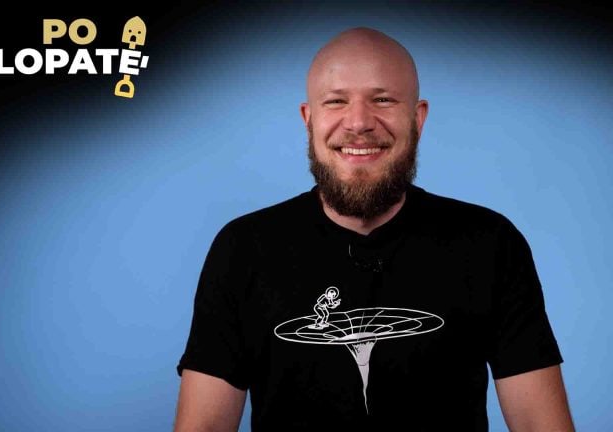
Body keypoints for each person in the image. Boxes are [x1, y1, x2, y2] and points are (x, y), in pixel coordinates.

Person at [174, 27, 574, 431]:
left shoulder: (490, 243)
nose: (359, 122)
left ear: (418, 118)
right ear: (308, 120)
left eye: (382, 100)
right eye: (336, 101)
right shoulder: (243, 249)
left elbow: (541, 425)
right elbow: (203, 427)